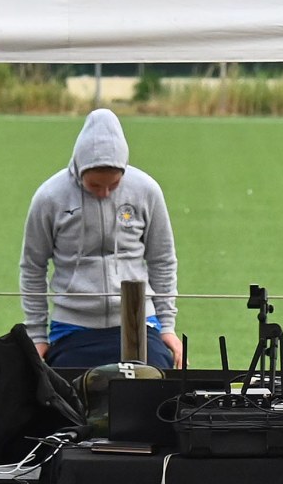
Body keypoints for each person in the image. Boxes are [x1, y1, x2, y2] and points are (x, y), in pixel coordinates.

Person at [19, 108, 181, 370]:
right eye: (95, 185)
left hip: (138, 320)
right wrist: (37, 335)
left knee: (155, 381)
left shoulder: (147, 191)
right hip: (72, 326)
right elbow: (32, 266)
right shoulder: (49, 197)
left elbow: (162, 260)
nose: (105, 193)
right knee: (65, 389)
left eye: (114, 185)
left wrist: (168, 327)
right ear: (79, 169)